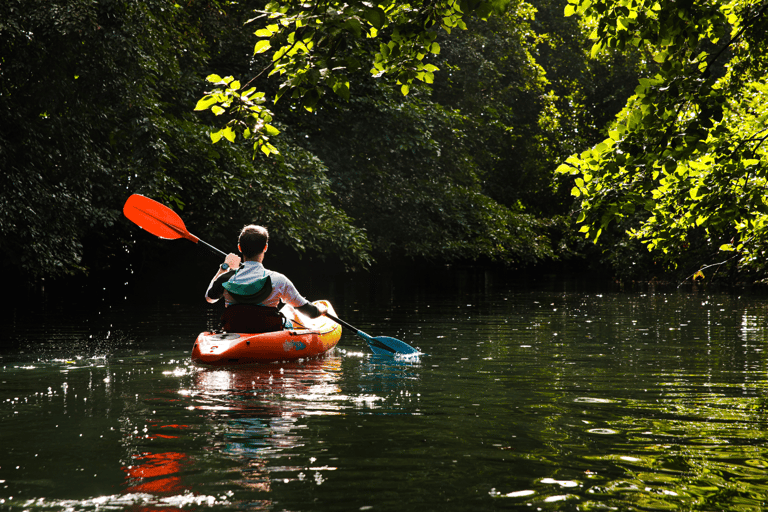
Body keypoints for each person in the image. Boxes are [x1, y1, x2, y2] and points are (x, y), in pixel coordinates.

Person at [205, 225, 327, 332]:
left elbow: (209, 298)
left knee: (289, 308)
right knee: (290, 308)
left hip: (235, 331)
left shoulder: (226, 278)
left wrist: (224, 268)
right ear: (265, 247)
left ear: (240, 248)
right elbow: (311, 313)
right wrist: (321, 309)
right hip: (268, 335)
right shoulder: (279, 280)